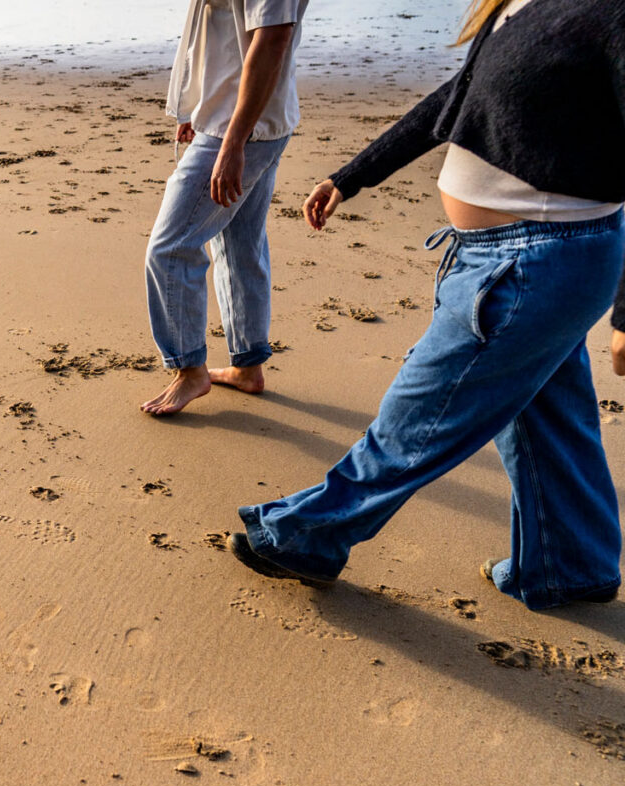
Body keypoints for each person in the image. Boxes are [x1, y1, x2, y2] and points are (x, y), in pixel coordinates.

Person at [229, 0, 625, 609]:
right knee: (549, 419)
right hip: (524, 259)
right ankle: (573, 565)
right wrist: (353, 175)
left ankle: (305, 536)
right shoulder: (520, 5)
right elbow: (455, 100)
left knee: (422, 412)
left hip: (538, 261)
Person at [140, 0, 308, 415]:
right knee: (238, 243)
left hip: (240, 128)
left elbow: (273, 39)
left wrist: (233, 142)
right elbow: (219, 29)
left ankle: (189, 369)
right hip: (232, 120)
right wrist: (195, 107)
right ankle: (248, 367)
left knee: (171, 248)